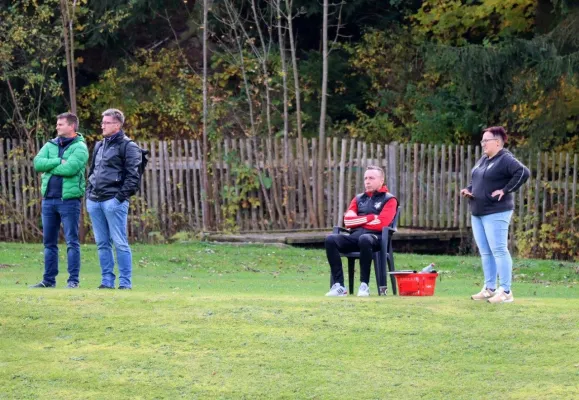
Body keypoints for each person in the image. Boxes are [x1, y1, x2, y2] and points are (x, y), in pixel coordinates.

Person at [461, 126, 530, 304]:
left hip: (496, 211)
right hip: (477, 212)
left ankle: (506, 291)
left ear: (497, 142)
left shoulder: (505, 159)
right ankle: (489, 288)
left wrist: (505, 190)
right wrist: (469, 190)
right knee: (485, 252)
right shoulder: (484, 159)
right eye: (482, 141)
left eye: (486, 140)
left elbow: (523, 172)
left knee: (499, 250)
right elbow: (476, 179)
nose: (483, 144)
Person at [31, 112, 89, 288]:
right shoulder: (50, 145)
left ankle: (73, 281)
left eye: (60, 124)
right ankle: (48, 281)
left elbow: (70, 169)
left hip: (69, 202)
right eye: (57, 124)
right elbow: (37, 163)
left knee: (72, 241)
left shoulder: (80, 147)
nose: (57, 127)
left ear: (72, 126)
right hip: (48, 200)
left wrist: (50, 168)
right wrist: (58, 161)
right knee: (49, 243)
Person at [86, 108, 141, 290]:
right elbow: (92, 171)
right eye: (102, 122)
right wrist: (89, 194)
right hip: (95, 200)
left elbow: (133, 177)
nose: (102, 125)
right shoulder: (100, 145)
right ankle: (107, 281)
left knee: (119, 242)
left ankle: (125, 283)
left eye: (106, 122)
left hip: (113, 201)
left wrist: (118, 198)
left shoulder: (129, 146)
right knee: (102, 243)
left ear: (117, 125)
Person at [325, 166, 398, 297]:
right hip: (355, 237)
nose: (367, 181)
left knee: (365, 239)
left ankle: (364, 285)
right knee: (331, 239)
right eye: (365, 178)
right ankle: (339, 286)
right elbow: (348, 221)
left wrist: (358, 221)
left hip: (376, 240)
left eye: (371, 178)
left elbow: (381, 224)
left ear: (381, 180)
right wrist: (370, 218)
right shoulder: (358, 199)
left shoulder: (389, 200)